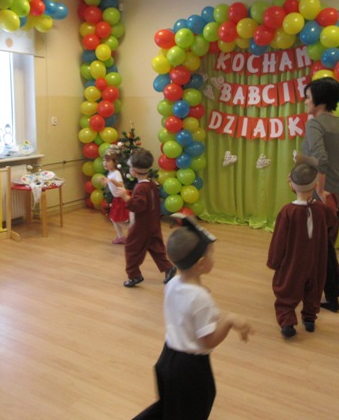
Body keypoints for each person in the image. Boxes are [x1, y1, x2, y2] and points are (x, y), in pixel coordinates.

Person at [133, 215, 252, 420]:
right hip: (189, 368)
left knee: (169, 407)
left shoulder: (173, 283)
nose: (214, 257)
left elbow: (186, 304)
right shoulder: (200, 299)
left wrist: (200, 291)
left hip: (167, 359)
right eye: (212, 254)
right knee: (194, 410)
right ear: (201, 264)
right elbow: (208, 341)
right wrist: (230, 320)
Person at [267, 155, 339, 338]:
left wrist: (274, 261)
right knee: (313, 289)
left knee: (287, 291)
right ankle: (309, 319)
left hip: (293, 262)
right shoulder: (321, 210)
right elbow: (333, 221)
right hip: (316, 261)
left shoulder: (287, 211)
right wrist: (327, 200)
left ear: (291, 185)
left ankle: (287, 322)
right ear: (315, 186)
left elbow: (279, 240)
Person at [301, 76, 339, 312]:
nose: (306, 101)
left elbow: (321, 159)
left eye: (308, 97)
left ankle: (332, 296)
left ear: (319, 101)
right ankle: (337, 280)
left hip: (326, 191)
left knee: (320, 245)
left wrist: (320, 191)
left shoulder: (315, 124)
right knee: (327, 242)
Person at [119, 148, 177, 287]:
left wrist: (126, 198)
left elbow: (139, 206)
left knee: (131, 249)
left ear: (134, 171)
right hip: (153, 223)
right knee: (155, 247)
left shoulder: (140, 188)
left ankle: (134, 275)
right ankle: (168, 268)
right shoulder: (151, 185)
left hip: (141, 226)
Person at [101, 145, 130, 244]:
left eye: (108, 160)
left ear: (115, 162)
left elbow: (120, 184)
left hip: (121, 198)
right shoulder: (110, 173)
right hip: (117, 199)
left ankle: (133, 227)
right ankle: (120, 236)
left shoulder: (116, 173)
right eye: (104, 160)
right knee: (113, 218)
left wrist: (111, 181)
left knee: (117, 219)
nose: (105, 163)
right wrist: (106, 181)